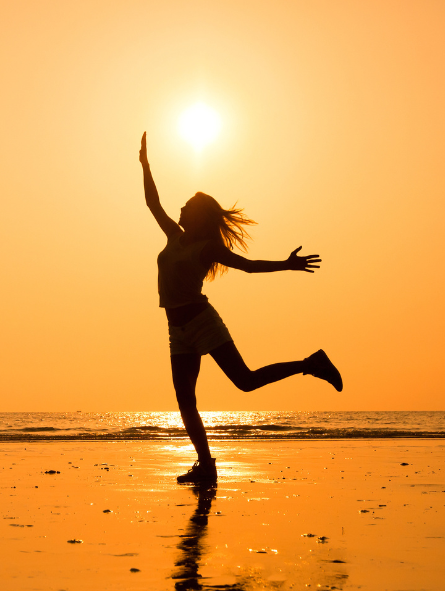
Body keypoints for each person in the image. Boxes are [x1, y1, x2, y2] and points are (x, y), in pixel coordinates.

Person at [139, 131, 342, 485]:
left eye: (188, 205)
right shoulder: (175, 236)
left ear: (200, 216)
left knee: (245, 381)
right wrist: (145, 165)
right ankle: (206, 465)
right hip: (177, 330)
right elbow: (152, 203)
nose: (181, 208)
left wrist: (285, 264)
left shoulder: (206, 248)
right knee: (185, 399)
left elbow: (248, 266)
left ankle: (311, 364)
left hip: (202, 322)